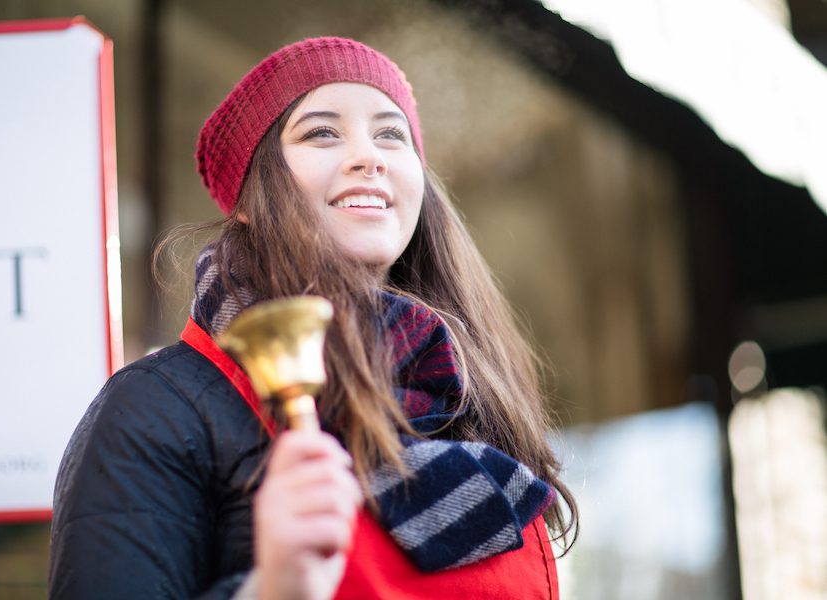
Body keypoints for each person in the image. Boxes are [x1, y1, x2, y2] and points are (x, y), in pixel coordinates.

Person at [49, 37, 577, 599]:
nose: (368, 156)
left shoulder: (472, 409)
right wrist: (276, 588)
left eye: (391, 134)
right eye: (322, 132)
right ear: (250, 201)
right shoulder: (156, 408)